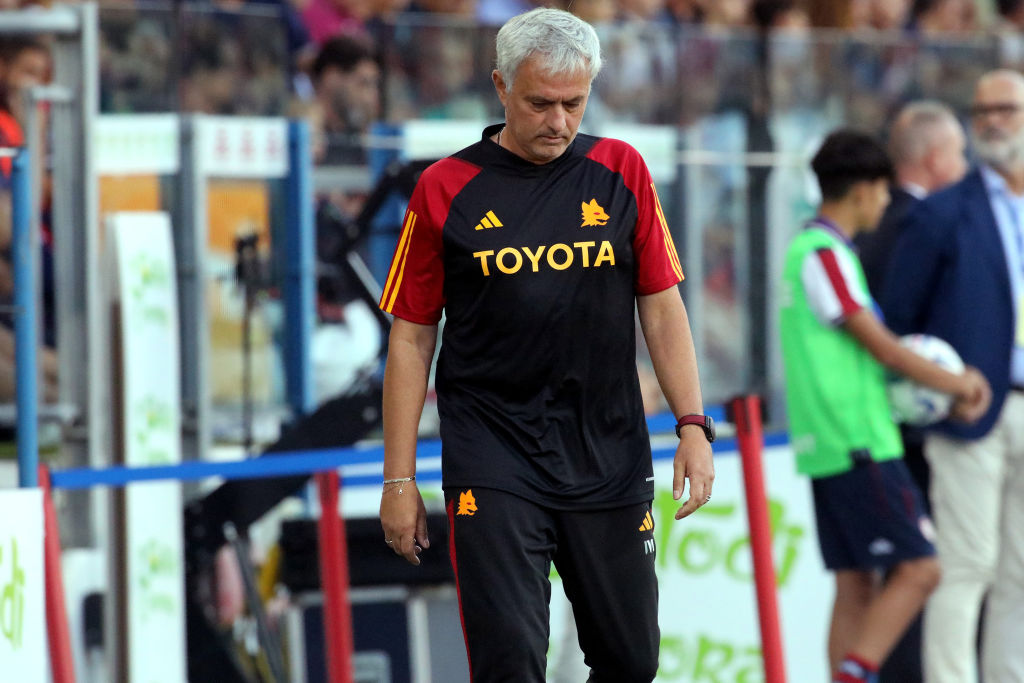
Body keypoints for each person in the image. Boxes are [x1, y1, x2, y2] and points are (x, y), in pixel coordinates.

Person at [377, 8, 714, 681]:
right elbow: (413, 337)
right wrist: (399, 478)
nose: (558, 120)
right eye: (540, 102)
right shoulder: (443, 189)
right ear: (501, 87)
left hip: (608, 449)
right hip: (493, 452)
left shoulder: (621, 170)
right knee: (511, 663)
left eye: (574, 102)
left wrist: (693, 423)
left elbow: (661, 303)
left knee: (631, 660)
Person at [779, 129, 990, 683]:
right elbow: (884, 349)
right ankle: (856, 672)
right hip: (857, 442)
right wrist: (959, 384)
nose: (885, 203)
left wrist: (937, 401)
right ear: (865, 190)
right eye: (883, 192)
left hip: (830, 443)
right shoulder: (824, 254)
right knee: (922, 568)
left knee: (856, 584)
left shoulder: (811, 252)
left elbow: (865, 363)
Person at [881, 68, 1024, 683]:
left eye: (1008, 109)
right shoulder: (942, 212)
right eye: (983, 108)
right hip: (969, 414)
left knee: (1020, 572)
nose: (993, 119)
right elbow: (897, 322)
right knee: (967, 566)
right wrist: (941, 389)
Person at [851, 100, 967, 683]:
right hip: (914, 433)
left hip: (865, 432)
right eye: (959, 155)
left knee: (867, 577)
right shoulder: (924, 224)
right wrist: (957, 385)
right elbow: (901, 337)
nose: (966, 167)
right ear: (934, 158)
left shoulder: (866, 230)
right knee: (920, 571)